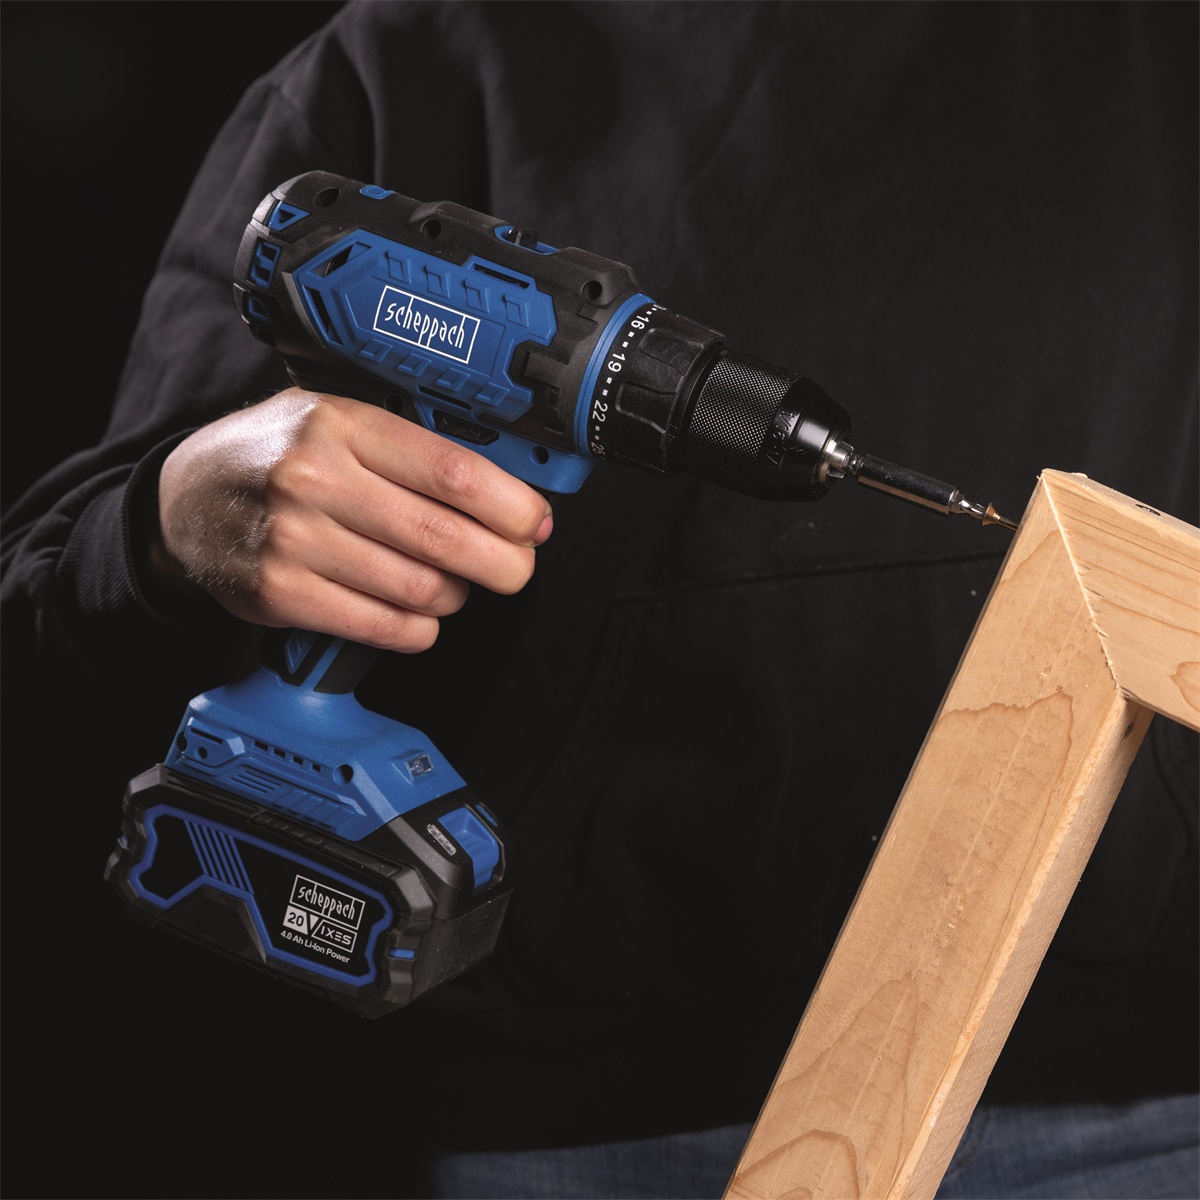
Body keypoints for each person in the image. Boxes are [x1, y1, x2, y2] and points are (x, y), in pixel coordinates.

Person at [2, 3, 1196, 1198]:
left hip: (1141, 1115)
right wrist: (169, 526)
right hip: (579, 1136)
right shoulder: (401, 68)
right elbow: (39, 625)